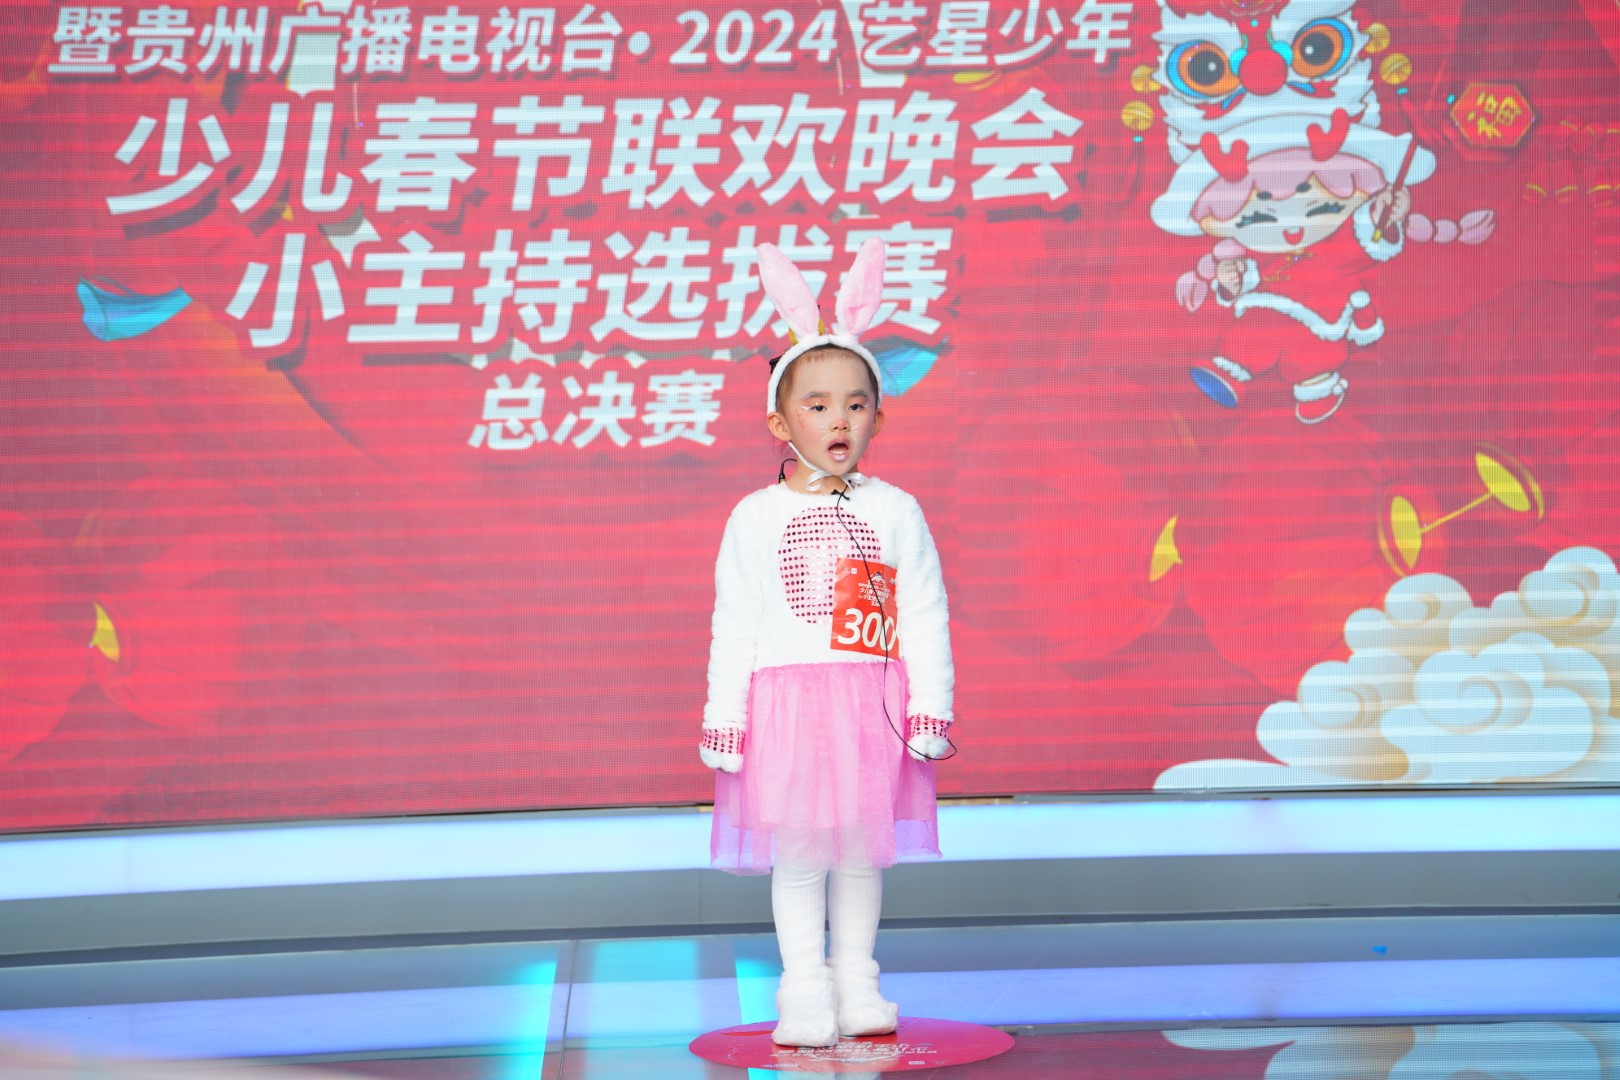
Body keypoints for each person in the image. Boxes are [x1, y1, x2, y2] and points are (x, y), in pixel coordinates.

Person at [699, 238, 954, 1047]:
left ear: (878, 414)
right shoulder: (755, 516)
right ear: (780, 420)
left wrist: (930, 706)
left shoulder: (895, 509)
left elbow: (923, 611)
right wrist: (724, 718)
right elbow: (735, 619)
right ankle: (804, 990)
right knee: (802, 852)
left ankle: (858, 984)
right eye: (816, 405)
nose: (838, 420)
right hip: (788, 707)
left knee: (860, 852)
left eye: (855, 403)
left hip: (869, 705)